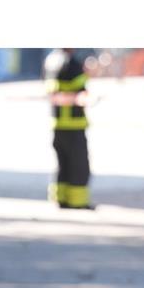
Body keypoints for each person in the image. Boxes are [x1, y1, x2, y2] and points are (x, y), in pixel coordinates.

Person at [44, 48, 92, 209]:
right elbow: (81, 94)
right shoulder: (73, 64)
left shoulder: (50, 62)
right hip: (74, 124)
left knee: (62, 165)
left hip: (57, 124)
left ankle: (60, 198)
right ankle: (78, 202)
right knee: (79, 166)